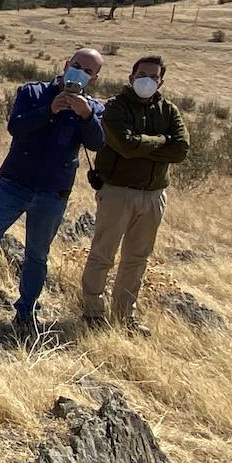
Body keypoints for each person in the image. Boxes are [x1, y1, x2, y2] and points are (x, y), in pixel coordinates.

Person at [0, 48, 106, 329]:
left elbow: (97, 143)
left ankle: (26, 311)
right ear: (66, 64)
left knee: (37, 255)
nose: (80, 73)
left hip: (53, 192)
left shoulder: (94, 108)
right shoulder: (33, 92)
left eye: (88, 71)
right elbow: (16, 126)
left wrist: (87, 116)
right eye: (77, 66)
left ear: (95, 79)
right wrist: (49, 110)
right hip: (13, 183)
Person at [81, 55, 189, 332]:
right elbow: (126, 145)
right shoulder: (115, 107)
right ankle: (92, 312)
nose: (147, 80)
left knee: (137, 258)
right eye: (142, 75)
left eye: (153, 76)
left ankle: (124, 315)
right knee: (102, 254)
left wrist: (143, 144)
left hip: (153, 196)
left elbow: (181, 149)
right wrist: (162, 140)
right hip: (117, 192)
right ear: (131, 78)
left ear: (160, 82)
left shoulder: (169, 111)